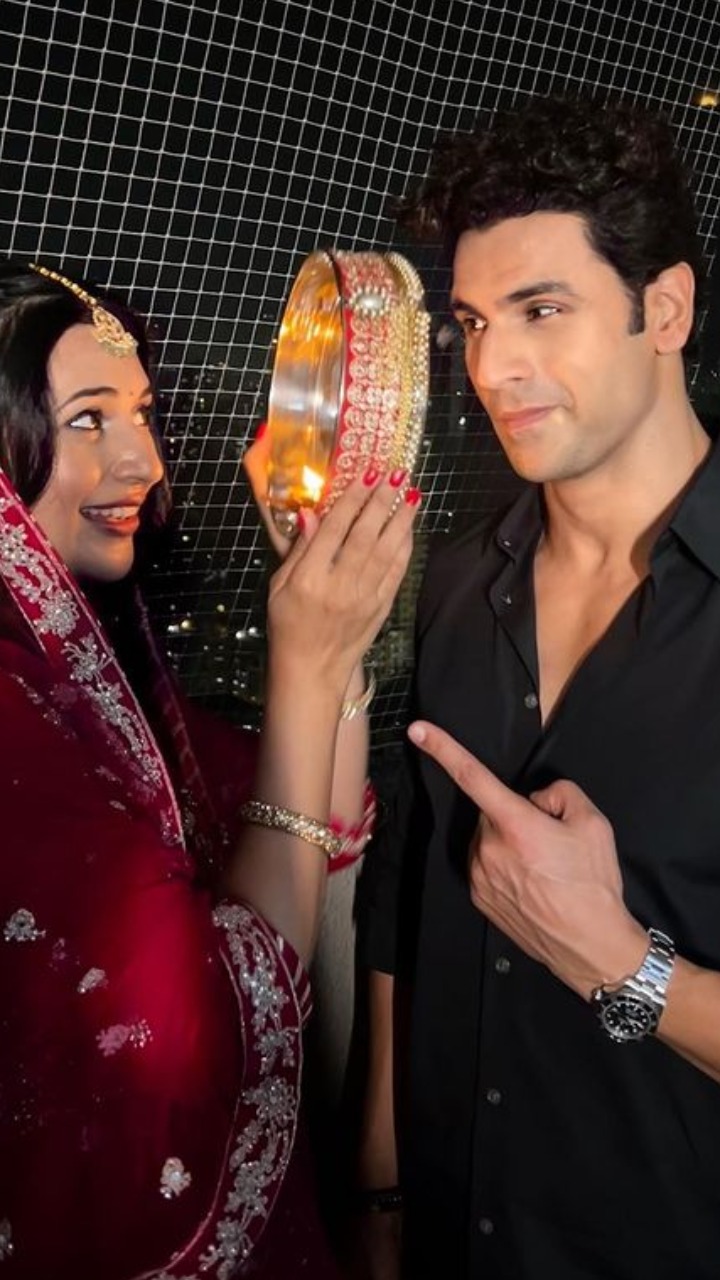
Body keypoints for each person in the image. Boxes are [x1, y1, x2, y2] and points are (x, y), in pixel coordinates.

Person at [355, 92, 720, 1280]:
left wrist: (620, 964)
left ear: (665, 309)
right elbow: (404, 893)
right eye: (472, 321)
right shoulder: (463, 582)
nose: (490, 365)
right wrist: (382, 1179)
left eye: (541, 310)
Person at [0, 259, 420, 1279]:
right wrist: (303, 668)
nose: (143, 459)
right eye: (87, 420)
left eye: (142, 413)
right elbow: (213, 1022)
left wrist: (332, 654)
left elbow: (310, 831)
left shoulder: (96, 686)